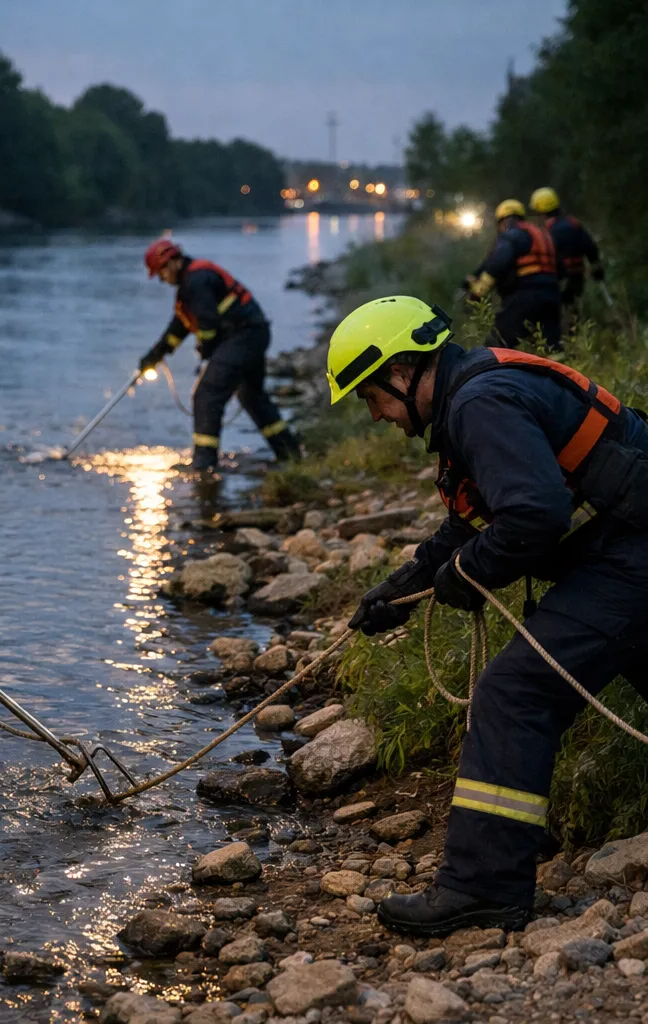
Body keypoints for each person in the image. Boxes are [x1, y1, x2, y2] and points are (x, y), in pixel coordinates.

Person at [328, 295, 648, 937]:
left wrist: (468, 574)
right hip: (625, 546)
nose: (377, 415)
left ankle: (483, 889)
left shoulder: (479, 404)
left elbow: (533, 517)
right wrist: (404, 586)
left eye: (372, 396)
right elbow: (474, 517)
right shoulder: (472, 395)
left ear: (404, 370)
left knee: (514, 692)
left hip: (630, 556)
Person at [139, 239, 301, 471]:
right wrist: (155, 355)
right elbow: (180, 327)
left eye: (161, 273)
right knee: (252, 397)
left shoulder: (196, 280)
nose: (162, 280)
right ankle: (289, 454)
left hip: (243, 337)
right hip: (253, 334)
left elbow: (207, 323)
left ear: (171, 263)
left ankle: (204, 466)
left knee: (207, 396)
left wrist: (206, 349)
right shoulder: (192, 283)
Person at [464, 199, 561, 351]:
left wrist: (477, 293)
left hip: (525, 298)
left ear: (502, 221)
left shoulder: (510, 235)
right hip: (552, 296)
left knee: (496, 346)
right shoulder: (541, 235)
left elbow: (497, 263)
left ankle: (492, 372)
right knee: (550, 346)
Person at [529, 186, 605, 321]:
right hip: (577, 277)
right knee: (572, 309)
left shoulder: (545, 232)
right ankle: (575, 333)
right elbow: (591, 248)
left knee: (554, 315)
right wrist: (596, 266)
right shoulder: (573, 224)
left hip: (555, 279)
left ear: (541, 211)